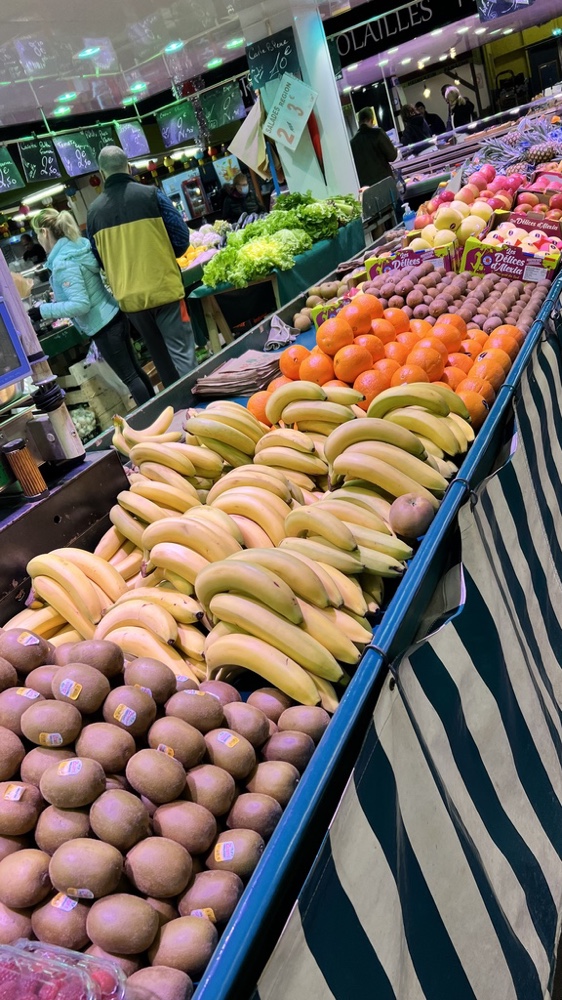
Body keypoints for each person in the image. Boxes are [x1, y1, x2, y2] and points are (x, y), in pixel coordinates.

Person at [87, 145, 195, 388]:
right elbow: (181, 238)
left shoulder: (93, 214)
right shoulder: (151, 194)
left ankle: (179, 413)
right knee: (183, 356)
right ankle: (201, 411)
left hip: (132, 300)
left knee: (162, 361)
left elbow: (100, 260)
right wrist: (163, 257)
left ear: (102, 173)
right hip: (164, 289)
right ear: (128, 166)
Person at [27, 208, 154, 406]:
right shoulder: (79, 247)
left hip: (102, 325)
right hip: (114, 315)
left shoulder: (63, 263)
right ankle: (159, 408)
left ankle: (154, 420)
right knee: (134, 371)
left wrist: (43, 310)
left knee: (129, 377)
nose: (38, 240)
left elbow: (80, 305)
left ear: (44, 233)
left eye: (37, 234)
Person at [350, 107, 398, 189]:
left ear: (359, 122)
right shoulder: (377, 133)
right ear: (371, 120)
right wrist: (395, 149)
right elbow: (392, 156)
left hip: (366, 188)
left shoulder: (352, 142)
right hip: (385, 183)